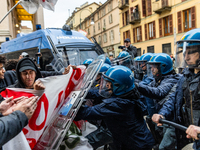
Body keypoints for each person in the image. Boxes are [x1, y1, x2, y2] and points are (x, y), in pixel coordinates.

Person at [75, 65, 155, 150]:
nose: (106, 86)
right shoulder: (126, 93)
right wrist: (80, 92)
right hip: (134, 141)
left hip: (136, 145)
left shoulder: (118, 104)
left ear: (117, 85)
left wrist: (69, 107)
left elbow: (85, 113)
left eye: (107, 83)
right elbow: (96, 93)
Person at [152, 28, 200, 150]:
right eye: (185, 52)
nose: (186, 57)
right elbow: (174, 98)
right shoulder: (185, 76)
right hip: (190, 135)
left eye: (191, 52)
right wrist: (163, 114)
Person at [137, 53, 182, 150]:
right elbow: (148, 88)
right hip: (162, 117)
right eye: (151, 67)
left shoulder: (171, 80)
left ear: (163, 67)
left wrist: (137, 85)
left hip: (171, 120)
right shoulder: (158, 79)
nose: (152, 69)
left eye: (154, 67)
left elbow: (159, 92)